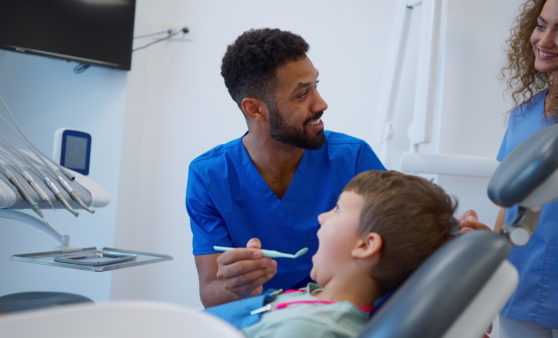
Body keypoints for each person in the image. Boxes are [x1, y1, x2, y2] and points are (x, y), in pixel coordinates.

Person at [185, 28, 386, 308]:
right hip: (263, 319)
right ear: (255, 109)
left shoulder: (352, 158)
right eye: (303, 94)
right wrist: (237, 286)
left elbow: (403, 235)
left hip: (343, 313)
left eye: (316, 85)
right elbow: (210, 293)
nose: (322, 103)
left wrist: (454, 236)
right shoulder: (210, 177)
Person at [207, 170, 459, 337]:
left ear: (365, 245)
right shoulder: (316, 298)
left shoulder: (311, 329)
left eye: (338, 209)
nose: (321, 216)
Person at [493, 0, 558, 336]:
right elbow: (508, 202)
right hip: (518, 283)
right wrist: (486, 270)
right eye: (541, 25)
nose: (544, 40)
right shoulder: (523, 115)